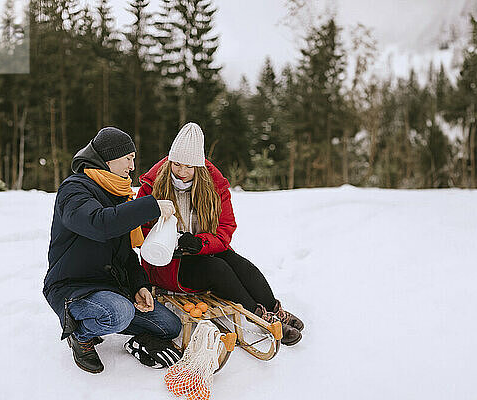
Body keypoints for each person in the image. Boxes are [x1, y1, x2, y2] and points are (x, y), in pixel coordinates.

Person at [137, 122, 304, 346]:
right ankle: (259, 316)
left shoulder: (214, 187)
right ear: (169, 161)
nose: (182, 172)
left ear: (199, 165)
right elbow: (140, 229)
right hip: (168, 264)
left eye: (189, 167)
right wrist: (172, 242)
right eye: (176, 164)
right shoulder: (152, 185)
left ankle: (274, 309)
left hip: (201, 249)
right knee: (218, 269)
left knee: (241, 265)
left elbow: (225, 230)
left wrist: (200, 243)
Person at [43, 127, 182, 374]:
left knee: (169, 326)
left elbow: (126, 253)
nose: (132, 166)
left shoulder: (118, 194)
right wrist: (151, 206)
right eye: (128, 158)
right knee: (119, 312)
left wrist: (139, 285)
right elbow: (99, 224)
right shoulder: (74, 190)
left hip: (110, 287)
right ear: (109, 158)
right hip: (74, 287)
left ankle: (117, 322)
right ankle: (81, 335)